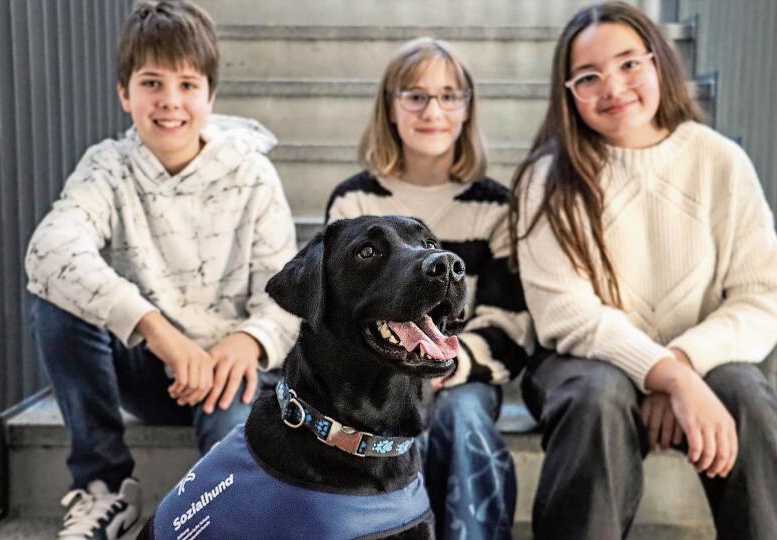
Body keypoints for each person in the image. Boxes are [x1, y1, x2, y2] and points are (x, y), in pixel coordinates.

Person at [24, 2, 298, 538]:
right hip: (147, 370)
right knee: (56, 300)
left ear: (210, 96)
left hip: (229, 372)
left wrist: (247, 341)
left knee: (233, 462)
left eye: (187, 84)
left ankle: (211, 515)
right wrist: (158, 331)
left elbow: (286, 295)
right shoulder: (107, 166)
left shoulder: (252, 175)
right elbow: (49, 250)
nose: (170, 101)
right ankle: (104, 488)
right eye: (152, 83)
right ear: (125, 93)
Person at [509, 2, 777, 538]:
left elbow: (760, 297)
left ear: (660, 64)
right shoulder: (547, 178)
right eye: (589, 77)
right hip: (582, 365)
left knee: (744, 392)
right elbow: (566, 313)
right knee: (599, 396)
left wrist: (679, 366)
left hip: (704, 362)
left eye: (629, 64)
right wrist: (669, 375)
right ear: (568, 94)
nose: (613, 86)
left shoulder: (721, 161)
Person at [325, 37, 533, 539]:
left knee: (464, 418)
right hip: (376, 373)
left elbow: (509, 322)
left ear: (466, 110)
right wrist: (401, 360)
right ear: (390, 109)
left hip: (460, 375)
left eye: (448, 95)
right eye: (414, 95)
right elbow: (336, 310)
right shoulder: (355, 201)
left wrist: (451, 361)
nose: (432, 109)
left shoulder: (494, 206)